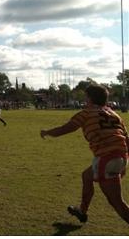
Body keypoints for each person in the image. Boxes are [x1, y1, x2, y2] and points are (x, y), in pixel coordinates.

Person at [40, 85, 129, 224]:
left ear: (90, 99)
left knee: (117, 203)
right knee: (87, 176)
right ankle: (82, 211)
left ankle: (82, 211)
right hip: (121, 156)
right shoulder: (115, 114)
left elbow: (65, 129)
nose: (85, 100)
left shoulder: (86, 113)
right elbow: (126, 139)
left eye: (86, 97)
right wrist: (123, 163)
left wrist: (47, 132)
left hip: (107, 158)